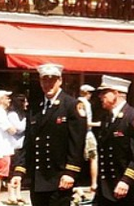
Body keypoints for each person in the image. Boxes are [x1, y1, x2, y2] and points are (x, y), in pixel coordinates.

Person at [10, 64, 87, 206]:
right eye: (44, 80)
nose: (48, 84)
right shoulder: (36, 107)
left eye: (52, 80)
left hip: (59, 177)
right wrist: (19, 171)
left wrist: (71, 172)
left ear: (60, 81)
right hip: (38, 179)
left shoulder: (71, 105)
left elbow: (77, 143)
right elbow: (29, 142)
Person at [95, 75, 134, 206]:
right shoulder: (106, 118)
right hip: (106, 188)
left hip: (126, 189)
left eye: (104, 93)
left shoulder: (133, 118)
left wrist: (126, 180)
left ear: (116, 93)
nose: (100, 96)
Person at [7, 94, 28, 205]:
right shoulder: (12, 115)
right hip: (14, 146)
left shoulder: (20, 115)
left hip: (21, 145)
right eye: (25, 102)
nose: (27, 104)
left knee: (20, 171)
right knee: (13, 171)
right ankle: (11, 195)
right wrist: (26, 120)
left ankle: (18, 194)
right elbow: (19, 129)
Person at [78, 84, 99, 195]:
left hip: (86, 133)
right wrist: (97, 124)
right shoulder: (82, 104)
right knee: (93, 156)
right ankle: (94, 183)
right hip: (86, 133)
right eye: (89, 92)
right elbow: (82, 122)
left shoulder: (85, 103)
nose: (90, 95)